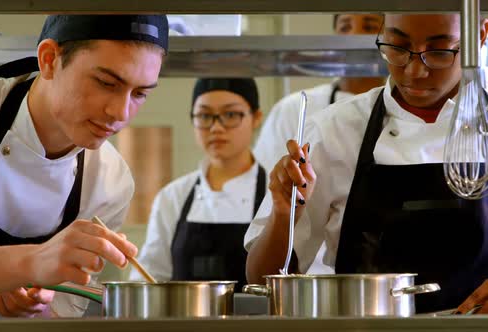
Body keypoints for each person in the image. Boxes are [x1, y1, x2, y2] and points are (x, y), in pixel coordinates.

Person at [0, 14, 168, 318]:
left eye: (140, 93)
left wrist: (35, 304)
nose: (120, 112)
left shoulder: (109, 181)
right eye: (106, 83)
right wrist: (29, 262)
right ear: (50, 59)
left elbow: (58, 315)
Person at [245, 14, 488, 313]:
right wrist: (283, 215)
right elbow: (262, 281)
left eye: (438, 53)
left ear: (480, 36)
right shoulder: (336, 130)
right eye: (398, 47)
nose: (414, 70)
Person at [130, 78, 266, 291]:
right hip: (183, 323)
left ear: (256, 118)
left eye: (230, 115)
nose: (216, 127)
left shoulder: (274, 194)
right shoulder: (173, 196)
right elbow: (149, 276)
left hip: (259, 324)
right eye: (204, 116)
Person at [253, 13, 386, 172]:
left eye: (369, 27)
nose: (354, 35)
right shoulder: (294, 109)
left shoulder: (404, 108)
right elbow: (265, 185)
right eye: (345, 27)